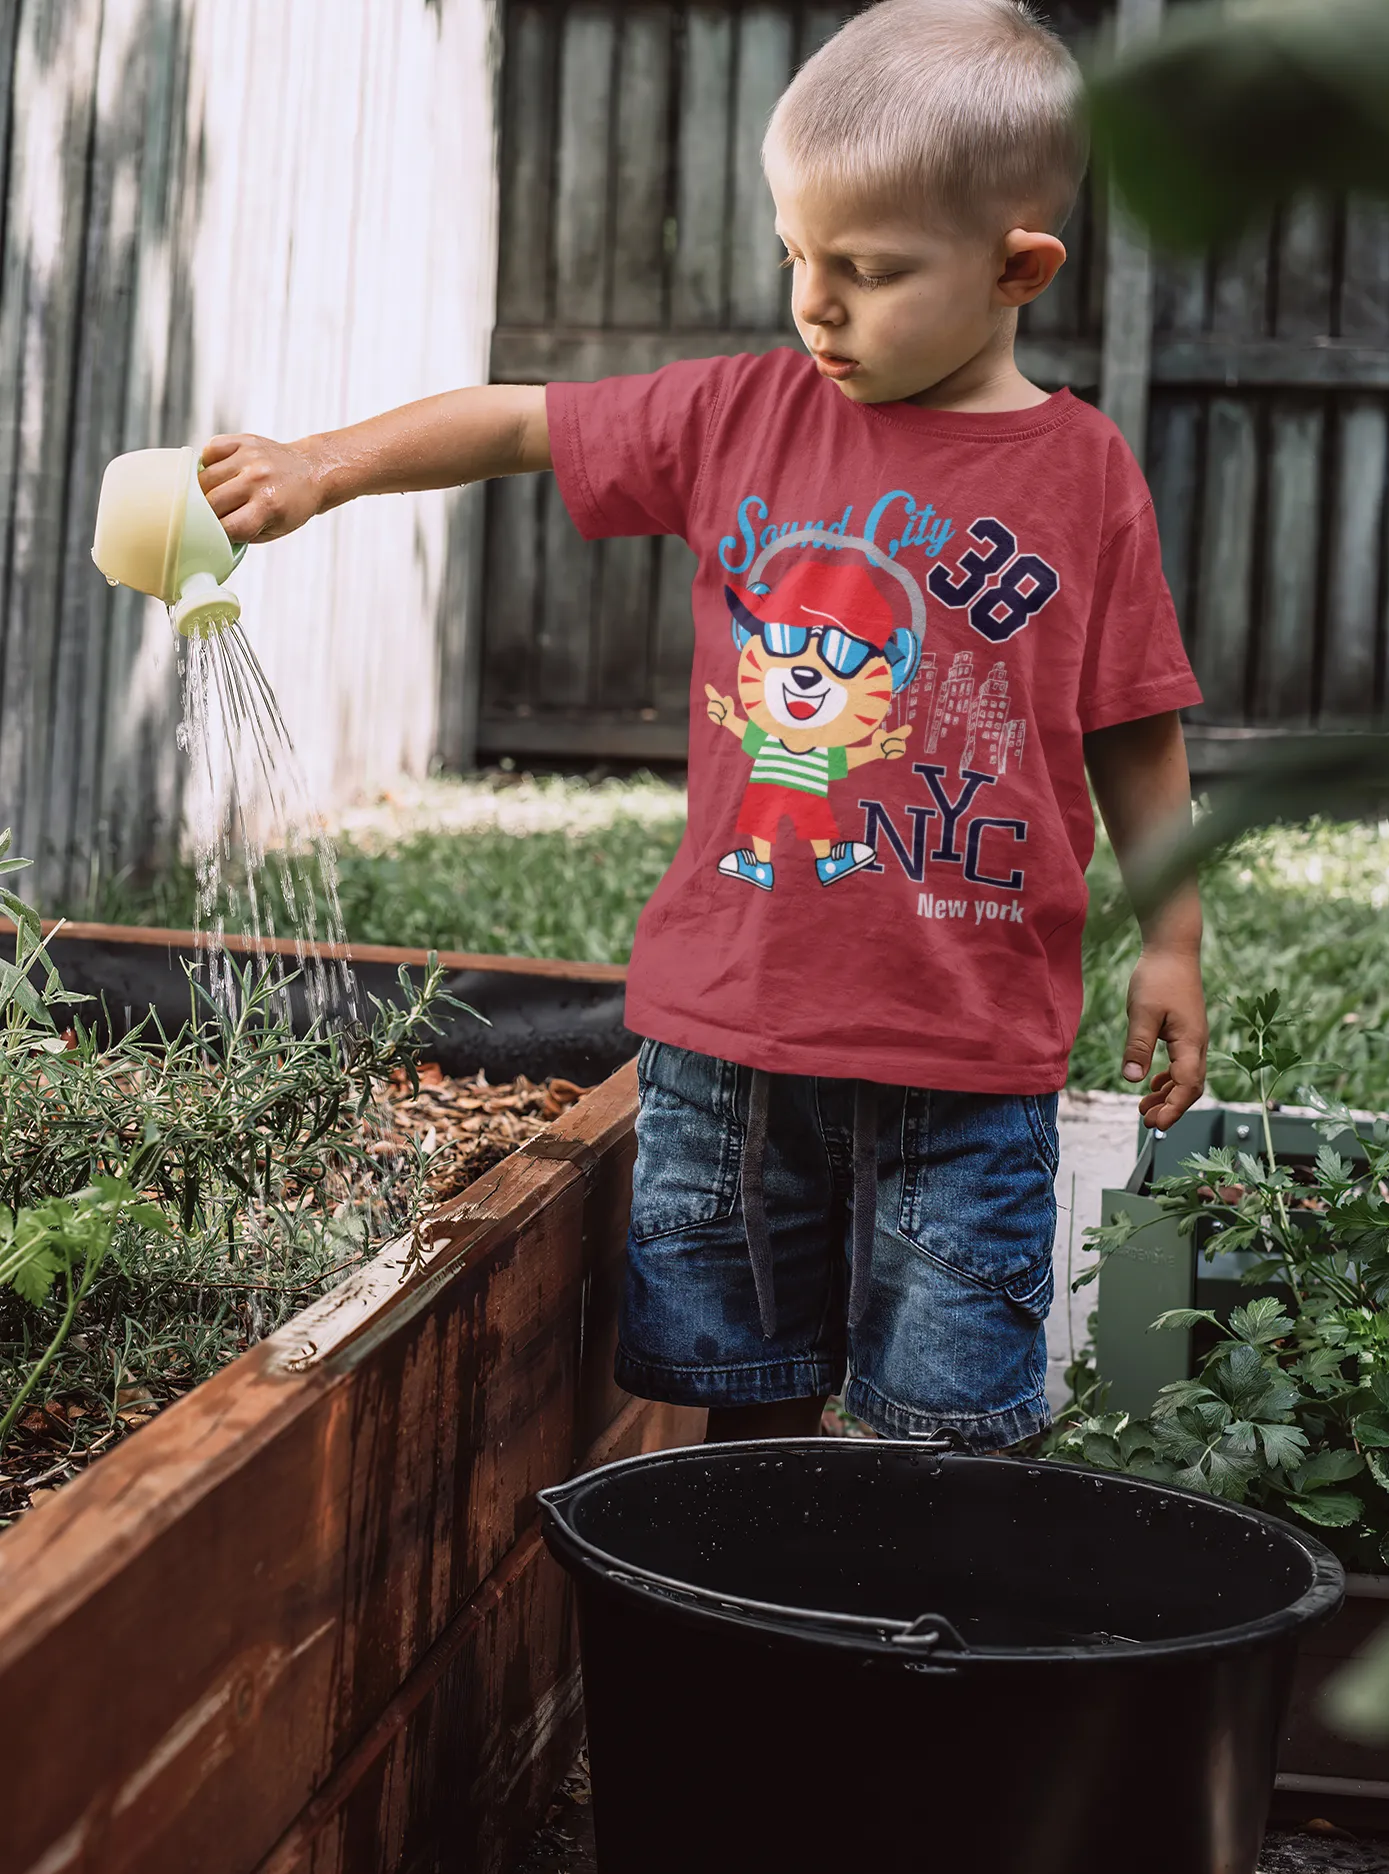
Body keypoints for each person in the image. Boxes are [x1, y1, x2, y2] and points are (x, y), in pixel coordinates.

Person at [199, 0, 1208, 1450]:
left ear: (1018, 268)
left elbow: (1134, 722)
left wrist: (1171, 941)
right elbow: (520, 421)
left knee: (944, 1440)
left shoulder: (1084, 474)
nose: (817, 305)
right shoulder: (739, 414)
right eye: (798, 254)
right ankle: (749, 1586)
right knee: (743, 1405)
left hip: (969, 1056)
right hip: (734, 1035)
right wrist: (323, 464)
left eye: (869, 271)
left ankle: (907, 1596)